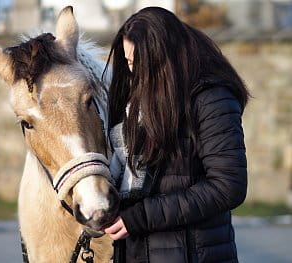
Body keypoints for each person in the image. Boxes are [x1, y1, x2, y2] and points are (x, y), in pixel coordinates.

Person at [102, 6, 249, 263]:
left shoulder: (211, 100)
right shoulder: (137, 104)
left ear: (165, 59)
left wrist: (141, 217)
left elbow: (228, 187)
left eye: (140, 64)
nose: (134, 73)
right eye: (128, 63)